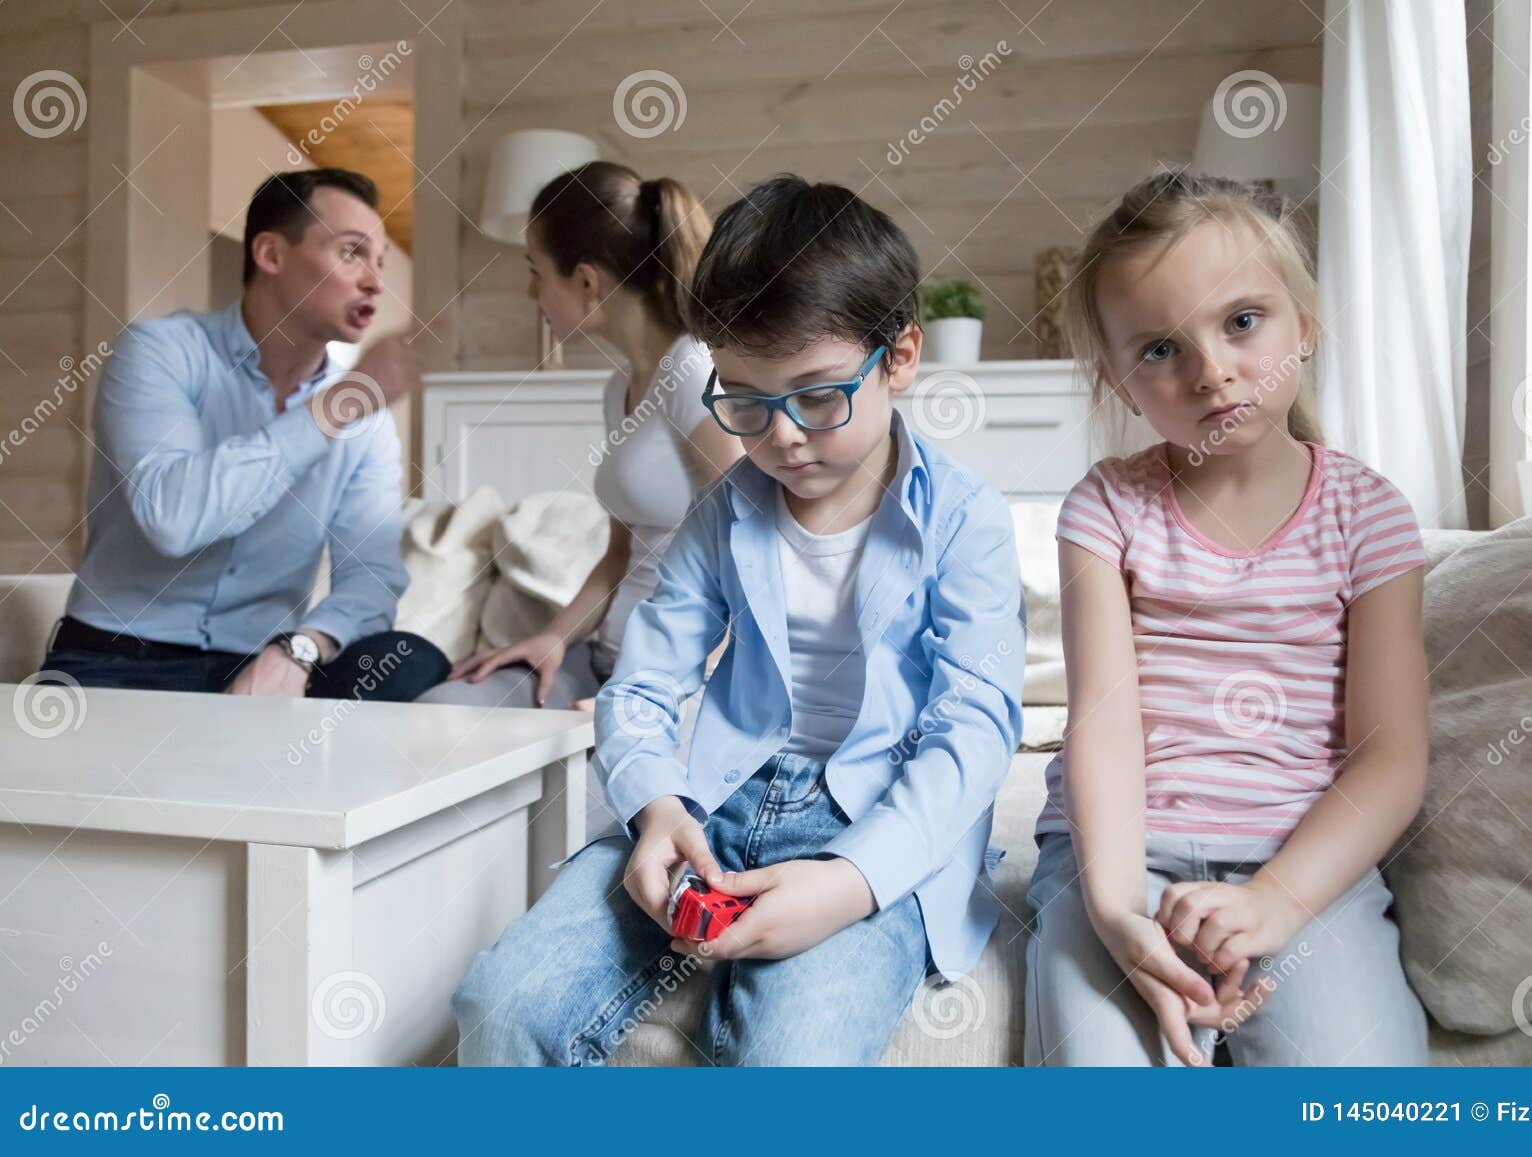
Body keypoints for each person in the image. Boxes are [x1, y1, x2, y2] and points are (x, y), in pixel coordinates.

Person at [451, 175, 1026, 1066]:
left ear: (901, 358)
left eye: (819, 396)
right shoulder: (725, 510)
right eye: (747, 401)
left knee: (791, 1062)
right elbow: (644, 681)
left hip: (877, 819)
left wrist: (850, 882)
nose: (784, 437)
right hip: (719, 801)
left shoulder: (965, 518)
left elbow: (976, 728)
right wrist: (653, 805)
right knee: (500, 1003)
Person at [1026, 170, 1431, 1067]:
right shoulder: (1105, 508)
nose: (1212, 369)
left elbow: (1392, 755)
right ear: (1122, 384)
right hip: (1124, 853)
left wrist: (1277, 901)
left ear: (1306, 326)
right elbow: (1101, 723)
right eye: (1161, 349)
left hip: (1301, 859)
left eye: (1242, 321)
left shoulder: (1370, 515)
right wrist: (1118, 911)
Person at [39, 168, 447, 701]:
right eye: (351, 253)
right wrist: (336, 407)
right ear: (271, 255)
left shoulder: (364, 420)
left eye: (379, 262)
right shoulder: (159, 352)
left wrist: (302, 648)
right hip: (118, 658)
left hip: (260, 673)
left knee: (411, 659)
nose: (374, 280)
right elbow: (174, 519)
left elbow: (370, 577)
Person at [420, 162, 742, 715]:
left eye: (536, 271)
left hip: (677, 686)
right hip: (605, 661)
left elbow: (757, 545)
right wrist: (553, 638)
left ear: (587, 281)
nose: (531, 290)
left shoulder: (693, 373)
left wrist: (676, 696)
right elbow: (619, 555)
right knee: (440, 712)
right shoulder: (620, 387)